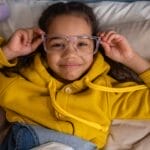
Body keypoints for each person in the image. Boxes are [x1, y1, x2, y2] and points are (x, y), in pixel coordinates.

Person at [0, 1, 150, 150]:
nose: (70, 53)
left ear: (95, 47)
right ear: (43, 47)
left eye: (82, 44)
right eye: (58, 44)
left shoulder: (108, 93)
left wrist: (131, 58)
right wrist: (8, 52)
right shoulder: (18, 82)